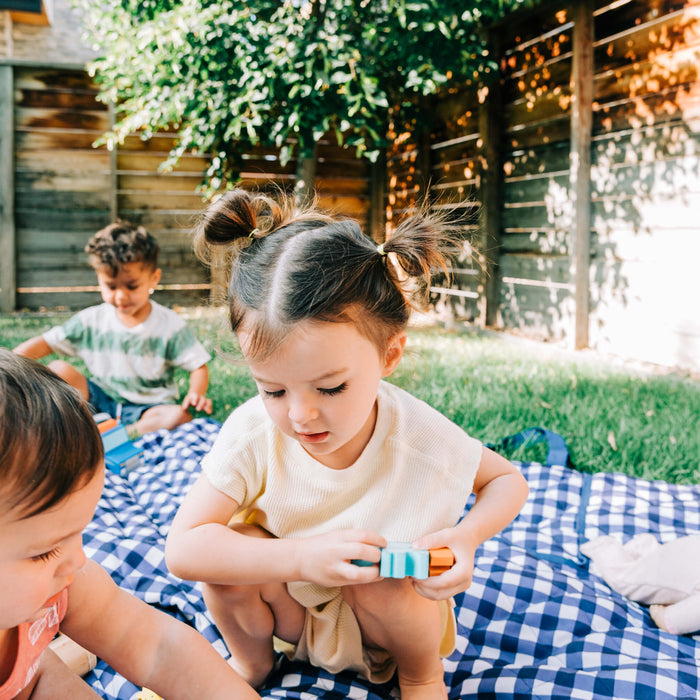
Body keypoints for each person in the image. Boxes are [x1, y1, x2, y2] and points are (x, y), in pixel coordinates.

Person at [164, 189, 530, 700]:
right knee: (233, 548)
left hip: (390, 629)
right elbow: (182, 548)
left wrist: (465, 539)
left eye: (331, 388)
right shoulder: (254, 434)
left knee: (378, 574)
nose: (299, 414)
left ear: (389, 355)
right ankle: (251, 663)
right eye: (272, 389)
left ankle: (422, 679)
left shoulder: (415, 431)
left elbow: (507, 481)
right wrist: (300, 560)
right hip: (294, 618)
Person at [0, 349, 260, 700]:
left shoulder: (63, 584)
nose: (77, 558)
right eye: (44, 552)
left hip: (31, 679)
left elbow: (155, 645)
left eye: (80, 532)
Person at [13, 221, 212, 437]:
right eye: (111, 286)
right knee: (59, 369)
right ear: (99, 278)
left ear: (154, 278)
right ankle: (91, 427)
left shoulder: (169, 324)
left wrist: (195, 393)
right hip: (98, 401)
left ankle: (118, 435)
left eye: (132, 286)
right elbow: (44, 343)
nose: (120, 296)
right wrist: (9, 367)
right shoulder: (91, 320)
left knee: (177, 416)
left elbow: (198, 365)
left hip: (148, 409)